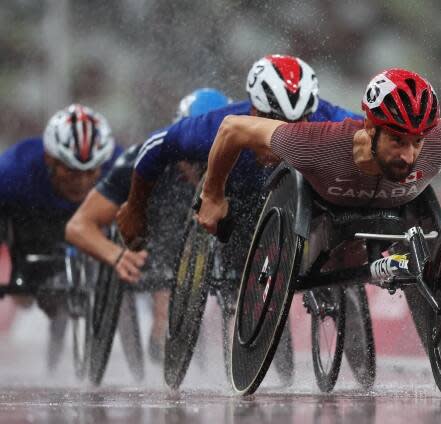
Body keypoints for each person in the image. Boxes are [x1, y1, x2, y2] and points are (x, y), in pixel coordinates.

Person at [116, 54, 362, 385]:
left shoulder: (331, 119)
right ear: (253, 111)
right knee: (232, 238)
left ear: (311, 113)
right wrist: (134, 208)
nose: (282, 136)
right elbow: (154, 149)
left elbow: (381, 140)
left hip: (307, 202)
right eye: (273, 122)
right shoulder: (219, 124)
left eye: (297, 125)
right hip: (240, 207)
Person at [186, 68, 441, 236]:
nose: (408, 155)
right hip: (325, 214)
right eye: (397, 141)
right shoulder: (317, 144)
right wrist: (213, 193)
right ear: (370, 128)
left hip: (400, 212)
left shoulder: (439, 143)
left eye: (418, 141)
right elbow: (233, 128)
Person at [65, 88, 231, 362]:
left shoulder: (243, 159)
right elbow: (78, 226)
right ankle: (162, 329)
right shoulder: (142, 160)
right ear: (180, 143)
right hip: (153, 243)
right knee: (165, 285)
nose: (203, 170)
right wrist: (115, 255)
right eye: (195, 159)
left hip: (216, 238)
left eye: (212, 159)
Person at [0, 103, 122, 367]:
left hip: (94, 220)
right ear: (49, 160)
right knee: (29, 298)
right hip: (34, 218)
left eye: (90, 172)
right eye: (71, 170)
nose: (80, 181)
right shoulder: (13, 170)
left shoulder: (120, 165)